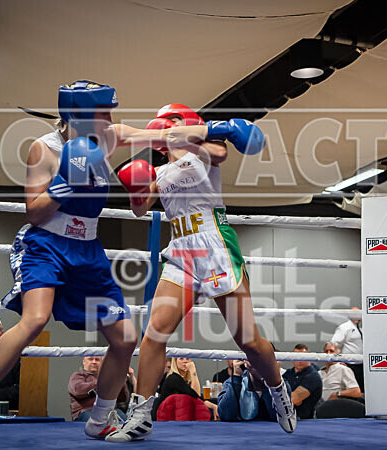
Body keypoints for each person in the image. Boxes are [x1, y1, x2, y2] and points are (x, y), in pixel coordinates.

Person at [0, 81, 219, 448]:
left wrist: (220, 129)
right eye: (103, 112)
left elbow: (163, 132)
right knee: (34, 320)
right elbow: (34, 210)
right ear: (79, 116)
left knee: (125, 337)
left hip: (87, 249)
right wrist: (65, 182)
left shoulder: (107, 137)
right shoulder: (44, 149)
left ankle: (99, 418)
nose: (110, 118)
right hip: (47, 244)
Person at [105, 103, 295, 442]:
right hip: (181, 247)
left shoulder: (207, 148)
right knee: (155, 332)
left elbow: (220, 152)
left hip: (215, 243)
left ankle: (277, 386)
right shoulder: (159, 171)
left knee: (248, 341)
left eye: (171, 122)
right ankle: (141, 415)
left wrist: (178, 134)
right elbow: (139, 209)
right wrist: (134, 185)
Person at [69, 356, 133, 422]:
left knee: (128, 424)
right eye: (90, 359)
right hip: (87, 411)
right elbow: (77, 391)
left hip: (110, 411)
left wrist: (121, 380)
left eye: (97, 360)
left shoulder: (109, 377)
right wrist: (104, 382)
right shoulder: (77, 376)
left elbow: (123, 398)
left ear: (102, 362)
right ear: (84, 361)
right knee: (98, 423)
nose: (94, 362)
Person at [218, 359, 283, 422]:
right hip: (241, 431)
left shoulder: (281, 384)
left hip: (272, 431)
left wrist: (266, 381)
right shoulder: (233, 382)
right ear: (245, 362)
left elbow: (280, 417)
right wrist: (236, 377)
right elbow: (225, 415)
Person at [281, 344, 323, 420]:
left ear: (309, 358)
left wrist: (285, 397)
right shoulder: (288, 373)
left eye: (302, 357)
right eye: (296, 357)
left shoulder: (313, 376)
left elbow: (293, 399)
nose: (299, 360)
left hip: (304, 419)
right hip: (286, 417)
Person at [329, 306, 364, 390]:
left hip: (361, 364)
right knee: (351, 389)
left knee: (361, 389)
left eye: (359, 313)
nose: (357, 315)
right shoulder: (344, 327)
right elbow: (333, 344)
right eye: (354, 313)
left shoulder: (361, 328)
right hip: (350, 364)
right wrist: (339, 360)